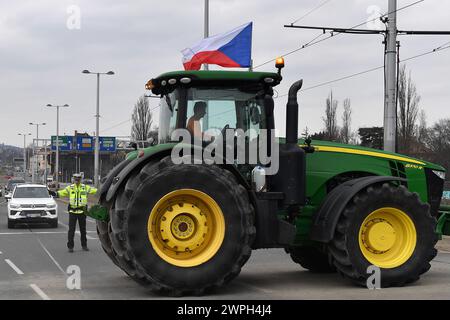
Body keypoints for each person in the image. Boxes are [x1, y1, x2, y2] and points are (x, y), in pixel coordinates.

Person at [55, 173, 97, 252]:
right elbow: (61, 193)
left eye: (78, 179)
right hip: (73, 212)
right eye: (76, 179)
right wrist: (52, 193)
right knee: (71, 230)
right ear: (73, 179)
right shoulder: (70, 188)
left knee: (83, 230)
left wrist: (103, 190)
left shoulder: (85, 188)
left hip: (82, 212)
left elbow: (94, 191)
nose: (77, 180)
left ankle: (84, 245)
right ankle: (70, 247)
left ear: (80, 180)